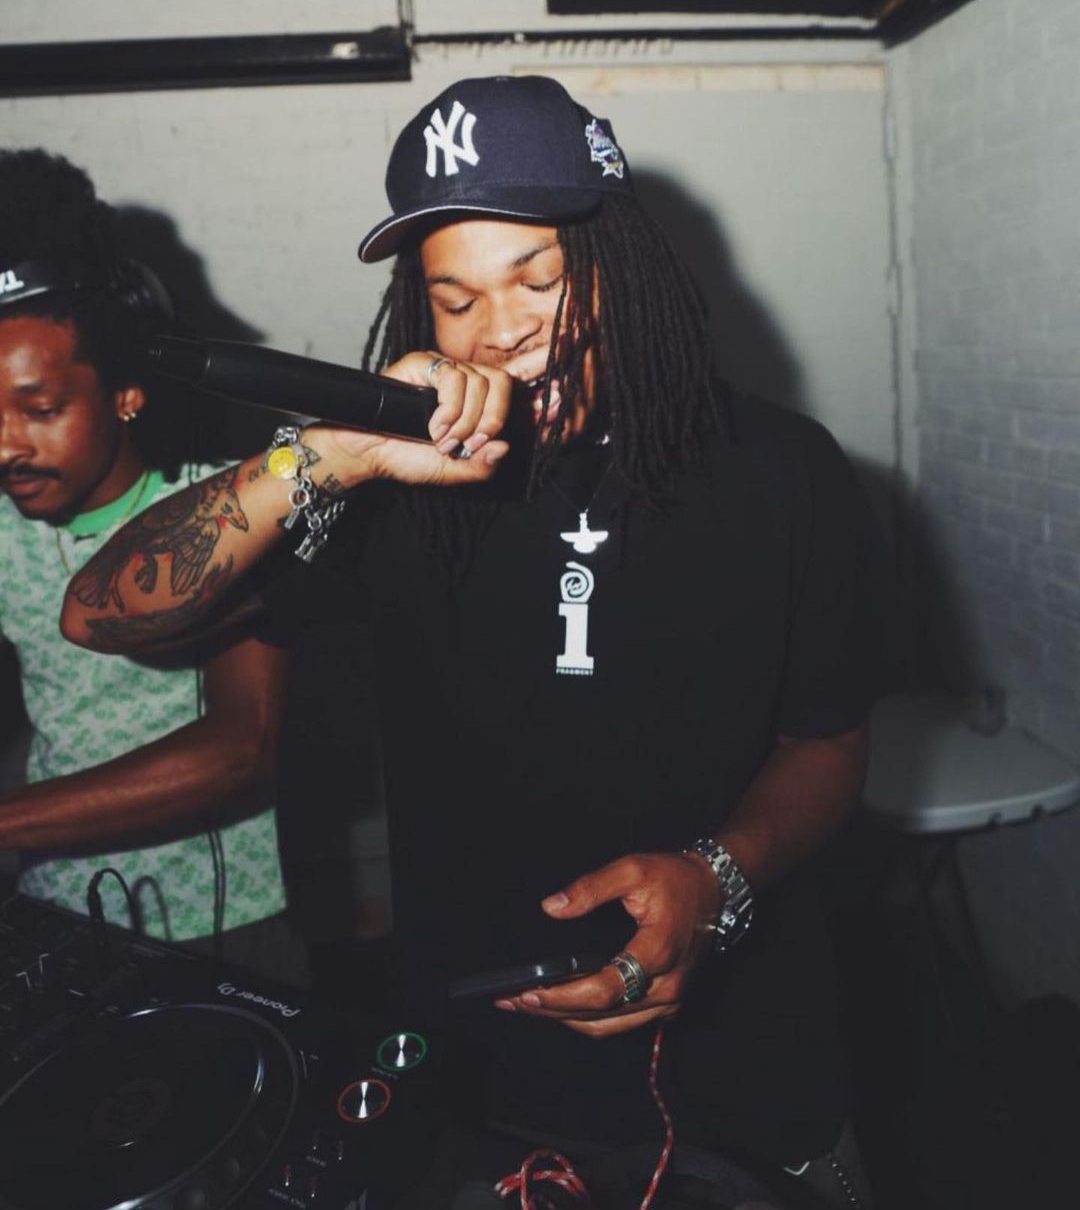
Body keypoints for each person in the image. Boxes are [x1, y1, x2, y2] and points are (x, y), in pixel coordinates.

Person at [60, 79, 885, 1205]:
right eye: (455, 300)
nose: (502, 329)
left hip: (747, 1059)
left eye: (540, 279)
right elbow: (100, 611)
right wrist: (333, 456)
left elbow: (828, 742)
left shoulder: (785, 470)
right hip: (478, 1075)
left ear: (623, 261)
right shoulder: (388, 489)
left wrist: (719, 877)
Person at [0, 149, 300, 981]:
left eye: (40, 408)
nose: (5, 444)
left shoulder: (228, 514)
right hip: (54, 909)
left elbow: (242, 747)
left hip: (225, 924)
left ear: (126, 391)